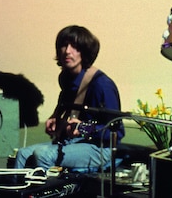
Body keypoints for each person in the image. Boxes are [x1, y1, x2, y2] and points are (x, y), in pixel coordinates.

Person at [13, 25, 124, 172]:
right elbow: (67, 106)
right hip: (73, 143)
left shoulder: (102, 85)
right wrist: (56, 118)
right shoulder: (66, 78)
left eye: (75, 47)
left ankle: (45, 194)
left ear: (84, 51)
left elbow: (117, 132)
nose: (67, 51)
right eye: (64, 45)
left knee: (43, 155)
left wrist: (84, 128)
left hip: (101, 148)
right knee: (22, 154)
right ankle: (15, 193)